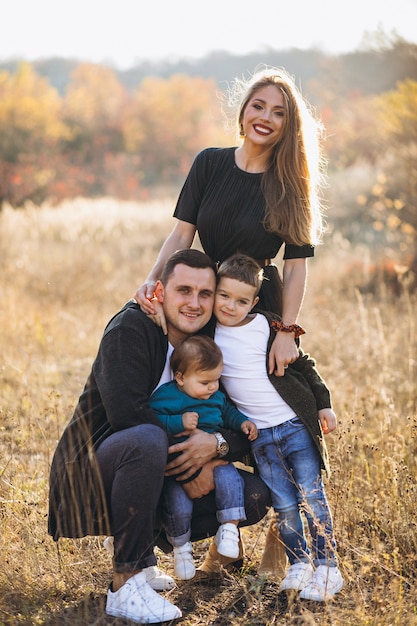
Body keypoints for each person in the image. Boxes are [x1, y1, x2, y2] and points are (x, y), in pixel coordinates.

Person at [47, 249, 271, 625]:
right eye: (184, 290)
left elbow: (239, 418)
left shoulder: (208, 345)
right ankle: (126, 583)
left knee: (252, 495)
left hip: (152, 472)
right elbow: (126, 417)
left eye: (205, 294)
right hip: (86, 476)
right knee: (148, 438)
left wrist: (215, 449)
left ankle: (145, 557)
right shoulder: (131, 329)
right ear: (161, 290)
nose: (195, 303)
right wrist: (189, 468)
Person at [135, 65, 326, 378]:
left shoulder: (292, 184)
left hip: (254, 302)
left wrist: (287, 331)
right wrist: (151, 280)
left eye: (278, 113)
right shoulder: (209, 163)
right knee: (173, 369)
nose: (265, 118)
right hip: (205, 291)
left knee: (260, 392)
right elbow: (182, 235)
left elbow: (295, 267)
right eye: (258, 106)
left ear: (288, 126)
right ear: (243, 112)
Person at [213, 253, 344, 602]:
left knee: (311, 496)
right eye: (223, 296)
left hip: (293, 425)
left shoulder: (267, 326)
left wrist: (324, 403)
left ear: (254, 302)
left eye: (241, 300)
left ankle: (328, 567)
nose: (230, 306)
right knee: (284, 504)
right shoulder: (210, 337)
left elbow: (305, 366)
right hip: (262, 440)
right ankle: (299, 563)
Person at [150, 335, 258, 580]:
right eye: (205, 382)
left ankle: (229, 528)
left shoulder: (215, 397)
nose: (212, 387)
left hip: (214, 460)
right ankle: (181, 549)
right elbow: (152, 419)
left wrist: (243, 424)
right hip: (178, 469)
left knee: (231, 478)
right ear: (180, 377)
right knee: (177, 504)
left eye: (216, 380)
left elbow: (229, 413)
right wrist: (178, 421)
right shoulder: (168, 396)